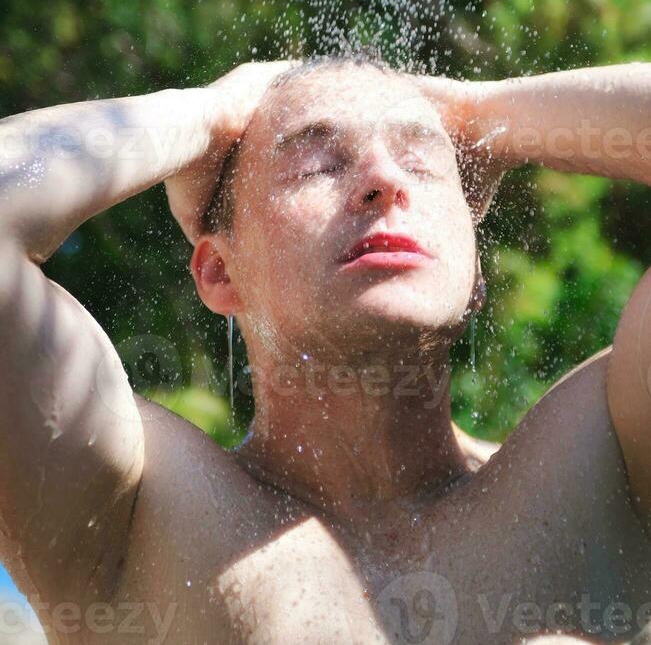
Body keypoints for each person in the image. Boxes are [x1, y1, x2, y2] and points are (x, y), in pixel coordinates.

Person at [0, 53, 650, 645]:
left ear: (475, 271)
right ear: (220, 272)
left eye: (420, 159)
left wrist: (484, 111)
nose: (383, 180)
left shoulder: (606, 462)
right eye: (315, 162)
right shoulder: (141, 507)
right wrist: (205, 112)